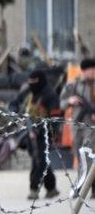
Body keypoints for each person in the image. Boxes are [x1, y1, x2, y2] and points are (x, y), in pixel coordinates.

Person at [9, 69, 61, 199]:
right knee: (39, 160)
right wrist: (17, 118)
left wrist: (40, 131)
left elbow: (54, 118)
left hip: (45, 133)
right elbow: (13, 104)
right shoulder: (29, 93)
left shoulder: (50, 95)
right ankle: (51, 187)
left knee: (40, 160)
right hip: (30, 132)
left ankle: (34, 188)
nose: (32, 84)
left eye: (34, 82)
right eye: (29, 82)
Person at [60, 58, 95, 164]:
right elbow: (62, 104)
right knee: (77, 148)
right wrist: (70, 101)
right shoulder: (72, 85)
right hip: (76, 123)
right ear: (84, 70)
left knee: (88, 149)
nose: (93, 71)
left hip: (90, 123)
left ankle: (88, 176)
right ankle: (81, 174)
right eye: (92, 69)